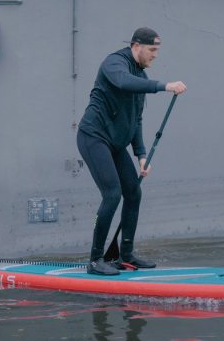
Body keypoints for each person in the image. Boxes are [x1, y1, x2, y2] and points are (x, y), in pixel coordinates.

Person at [76, 27, 186, 275]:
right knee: (112, 194)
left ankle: (126, 255)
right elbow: (123, 82)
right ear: (136, 46)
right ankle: (95, 259)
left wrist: (142, 156)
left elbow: (136, 120)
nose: (156, 55)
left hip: (116, 143)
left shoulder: (139, 75)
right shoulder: (115, 63)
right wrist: (164, 85)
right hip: (93, 137)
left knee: (133, 193)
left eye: (157, 50)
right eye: (152, 50)